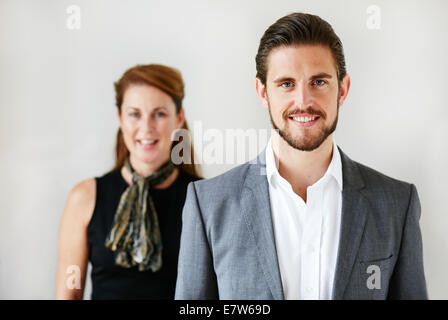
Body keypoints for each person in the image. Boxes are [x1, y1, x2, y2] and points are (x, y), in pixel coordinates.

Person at [175, 13, 427, 300]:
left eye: (318, 82)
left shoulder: (397, 203)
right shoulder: (208, 204)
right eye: (286, 84)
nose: (304, 101)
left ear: (342, 89)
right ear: (263, 92)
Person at [56, 64, 200, 299]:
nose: (146, 127)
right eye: (135, 114)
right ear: (120, 118)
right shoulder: (85, 197)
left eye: (159, 114)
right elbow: (68, 295)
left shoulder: (204, 198)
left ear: (179, 118)